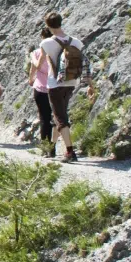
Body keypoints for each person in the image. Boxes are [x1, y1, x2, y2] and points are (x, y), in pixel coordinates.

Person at [38, 12, 91, 162]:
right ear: (61, 22)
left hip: (55, 84)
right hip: (71, 82)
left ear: (48, 25)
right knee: (59, 115)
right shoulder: (76, 42)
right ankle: (51, 148)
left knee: (61, 118)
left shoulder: (45, 43)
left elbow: (41, 62)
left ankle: (69, 152)